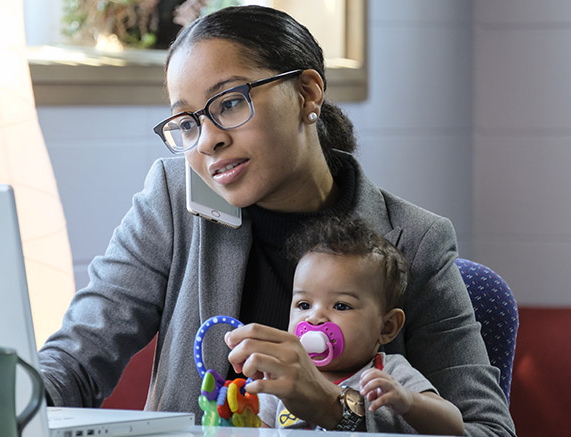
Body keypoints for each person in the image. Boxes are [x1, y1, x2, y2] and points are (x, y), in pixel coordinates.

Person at [38, 5, 515, 436]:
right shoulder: (175, 197)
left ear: (308, 93)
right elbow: (76, 361)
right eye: (186, 122)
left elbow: (488, 431)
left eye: (228, 103)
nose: (206, 142)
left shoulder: (416, 240)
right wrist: (3, 397)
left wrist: (335, 407)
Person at [249, 217, 463, 434]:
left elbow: (454, 426)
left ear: (387, 327)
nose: (314, 318)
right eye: (304, 304)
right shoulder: (283, 374)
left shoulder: (387, 374)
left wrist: (408, 402)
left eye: (341, 306)